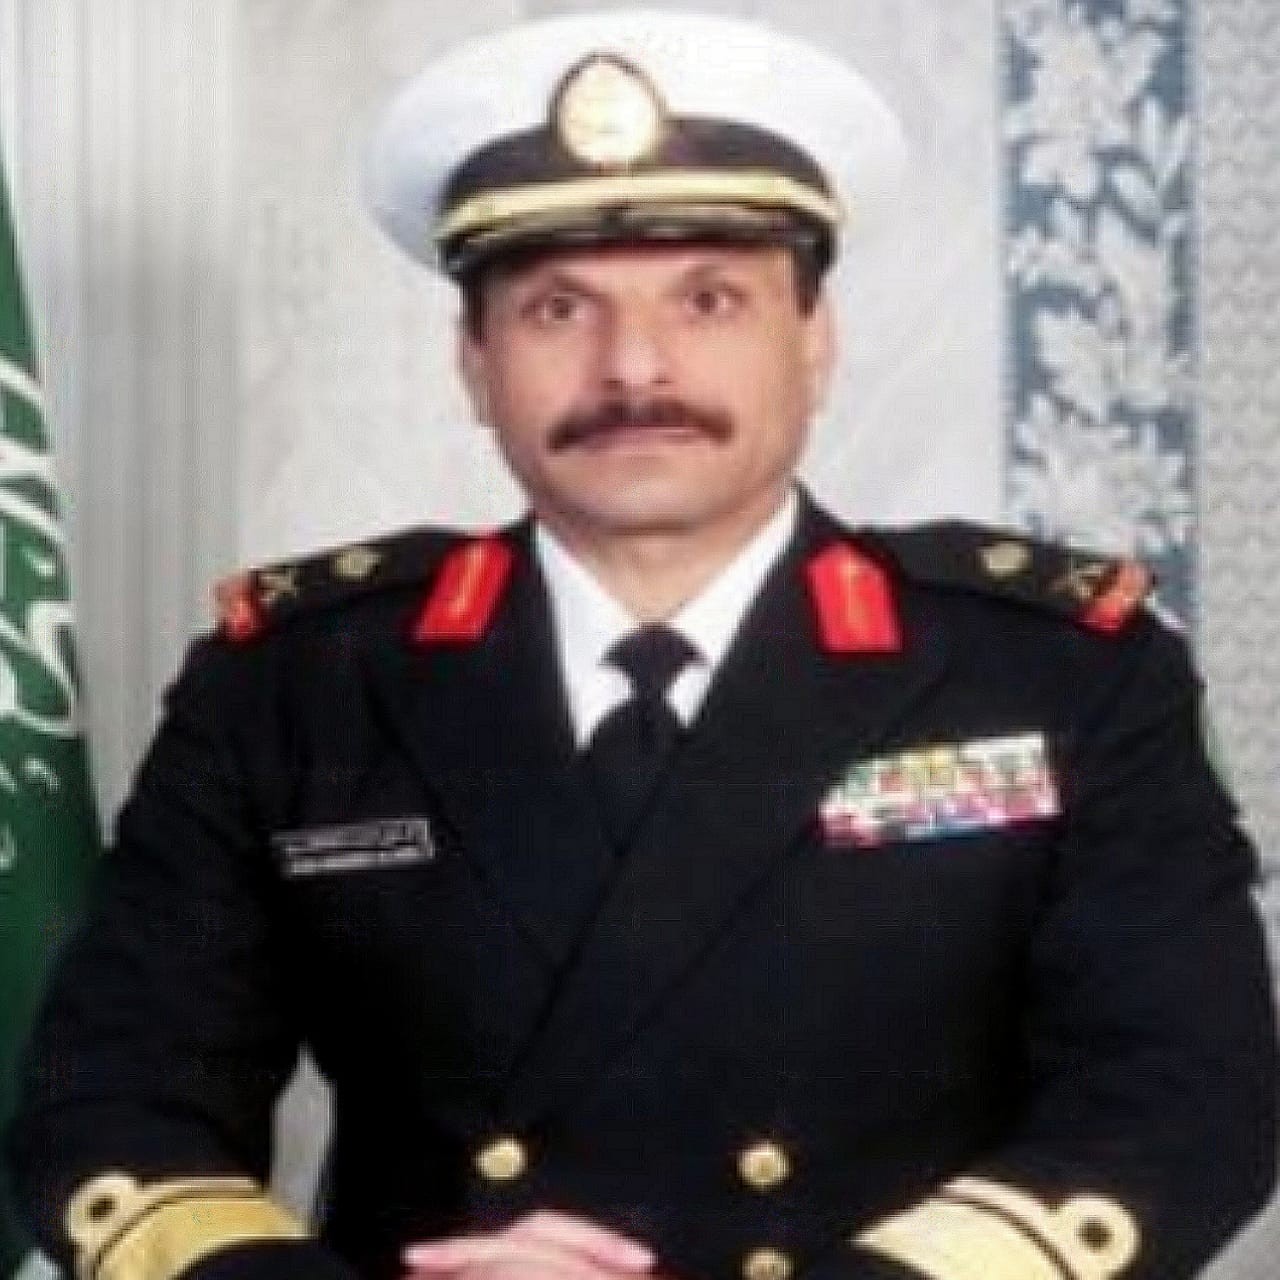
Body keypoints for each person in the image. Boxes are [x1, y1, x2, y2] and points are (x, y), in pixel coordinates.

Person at [6, 11, 1276, 1280]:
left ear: (813, 341)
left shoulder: (1058, 670)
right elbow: (112, 1100)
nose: (633, 366)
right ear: (474, 361)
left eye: (708, 299)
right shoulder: (295, 681)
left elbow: (1182, 1098)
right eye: (556, 306)